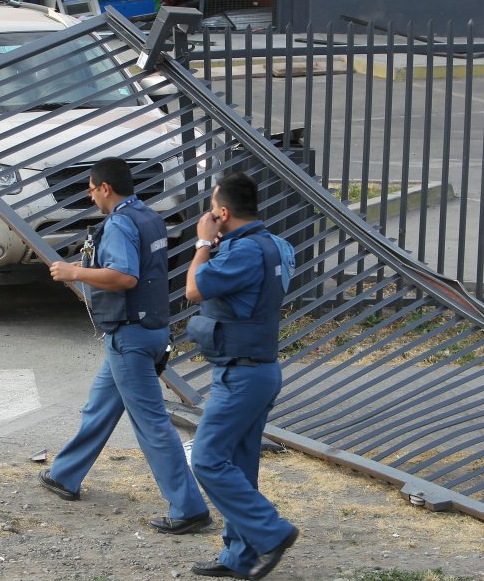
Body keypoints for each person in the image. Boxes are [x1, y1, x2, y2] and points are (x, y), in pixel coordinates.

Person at [40, 157, 211, 536]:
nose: (89, 193)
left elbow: (124, 277)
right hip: (150, 331)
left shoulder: (118, 222)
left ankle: (188, 508)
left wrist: (75, 272)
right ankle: (64, 475)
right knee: (100, 407)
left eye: (90, 186)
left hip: (129, 336)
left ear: (105, 188)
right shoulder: (148, 217)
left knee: (152, 425)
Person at [184, 172, 299, 580]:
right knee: (240, 462)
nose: (208, 215)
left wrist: (202, 244)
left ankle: (272, 532)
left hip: (240, 374)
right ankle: (240, 557)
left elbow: (194, 290)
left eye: (212, 208)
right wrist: (220, 246)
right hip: (262, 368)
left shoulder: (242, 253)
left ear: (224, 212)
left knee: (209, 458)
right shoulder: (278, 246)